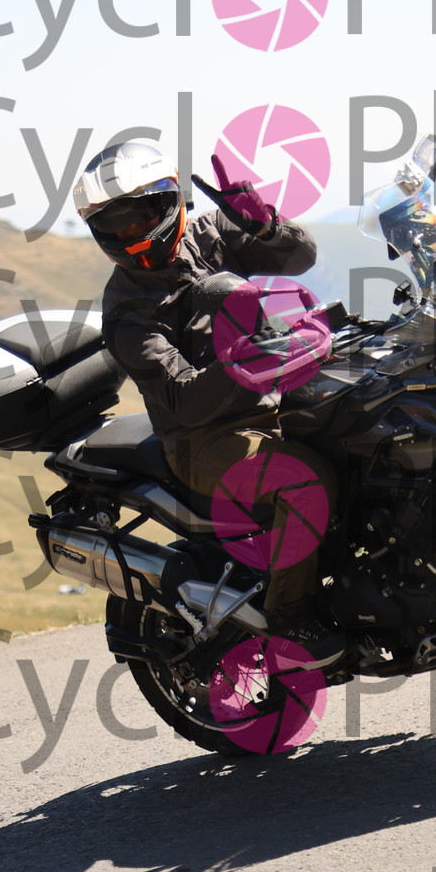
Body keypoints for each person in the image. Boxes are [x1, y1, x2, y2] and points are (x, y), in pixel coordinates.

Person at [73, 141, 346, 664]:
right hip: (205, 441)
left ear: (169, 201)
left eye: (140, 217)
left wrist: (266, 226)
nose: (132, 234)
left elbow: (300, 258)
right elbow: (184, 401)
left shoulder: (213, 233)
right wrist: (242, 363)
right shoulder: (128, 311)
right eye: (115, 225)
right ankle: (292, 620)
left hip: (280, 399)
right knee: (304, 483)